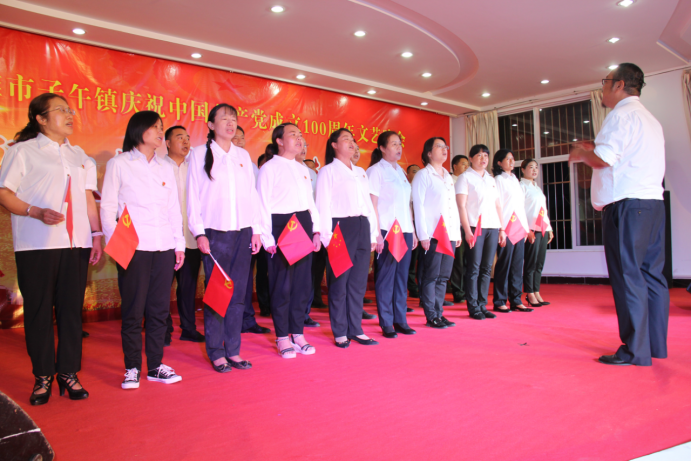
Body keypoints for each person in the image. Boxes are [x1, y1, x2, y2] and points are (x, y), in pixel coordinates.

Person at [0, 93, 101, 405]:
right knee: (40, 311)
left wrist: (96, 234)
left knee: (71, 311)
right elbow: (4, 193)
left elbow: (87, 198)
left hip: (76, 244)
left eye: (70, 110)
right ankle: (43, 376)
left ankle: (68, 373)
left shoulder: (78, 154)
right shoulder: (22, 151)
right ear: (41, 119)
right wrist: (34, 211)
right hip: (37, 244)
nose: (69, 115)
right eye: (60, 110)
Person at [569, 63, 668, 367]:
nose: (602, 88)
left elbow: (604, 159)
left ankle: (634, 350)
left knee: (627, 276)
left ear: (619, 84)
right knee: (652, 276)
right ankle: (653, 345)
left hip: (627, 207)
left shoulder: (620, 115)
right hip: (653, 205)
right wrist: (594, 149)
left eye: (605, 82)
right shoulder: (650, 119)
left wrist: (582, 153)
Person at [101, 111, 185, 389]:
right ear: (139, 130)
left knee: (159, 311)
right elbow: (108, 208)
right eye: (155, 127)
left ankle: (156, 366)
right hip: (133, 248)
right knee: (133, 311)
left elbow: (173, 209)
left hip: (164, 247)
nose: (161, 132)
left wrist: (179, 244)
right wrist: (117, 245)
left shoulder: (165, 167)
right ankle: (132, 367)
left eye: (162, 127)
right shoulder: (119, 163)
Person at [188, 104, 262, 374]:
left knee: (239, 294)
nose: (230, 124)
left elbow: (252, 195)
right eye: (224, 119)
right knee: (218, 293)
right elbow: (192, 195)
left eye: (233, 119)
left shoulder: (243, 155)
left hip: (243, 232)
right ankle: (216, 352)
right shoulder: (199, 154)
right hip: (214, 232)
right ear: (210, 125)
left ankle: (233, 349)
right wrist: (199, 232)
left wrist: (256, 230)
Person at [257, 123, 321, 359]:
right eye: (293, 134)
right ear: (280, 141)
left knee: (302, 285)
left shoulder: (303, 168)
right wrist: (267, 236)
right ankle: (282, 336)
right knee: (282, 285)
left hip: (302, 224)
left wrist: (316, 231)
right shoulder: (269, 168)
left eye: (300, 135)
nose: (299, 138)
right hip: (281, 226)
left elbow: (310, 202)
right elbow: (262, 203)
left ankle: (298, 334)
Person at [316, 129, 379, 348]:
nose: (352, 143)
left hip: (362, 226)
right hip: (340, 228)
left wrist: (373, 233)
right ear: (334, 145)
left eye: (353, 140)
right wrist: (327, 237)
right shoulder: (328, 171)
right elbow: (322, 205)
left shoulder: (360, 171)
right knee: (339, 282)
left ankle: (356, 329)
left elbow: (368, 205)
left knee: (358, 283)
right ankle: (340, 331)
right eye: (346, 140)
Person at [367, 131, 418, 338]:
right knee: (386, 278)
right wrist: (376, 233)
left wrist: (412, 231)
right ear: (382, 148)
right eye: (394, 144)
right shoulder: (375, 171)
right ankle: (387, 322)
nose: (399, 147)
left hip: (404, 230)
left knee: (401, 277)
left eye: (400, 144)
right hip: (387, 231)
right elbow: (372, 205)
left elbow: (406, 206)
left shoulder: (401, 172)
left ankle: (400, 319)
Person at [412, 137, 461, 329]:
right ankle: (431, 315)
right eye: (439, 146)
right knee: (431, 275)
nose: (444, 149)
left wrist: (456, 233)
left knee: (443, 276)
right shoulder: (423, 175)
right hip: (433, 234)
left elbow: (453, 206)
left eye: (445, 146)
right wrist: (423, 235)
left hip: (449, 234)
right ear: (429, 153)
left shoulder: (448, 176)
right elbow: (418, 206)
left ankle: (439, 313)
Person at [163, 125, 205, 344]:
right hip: (165, 238)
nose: (186, 141)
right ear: (167, 143)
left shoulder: (195, 168)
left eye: (188, 138)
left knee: (188, 286)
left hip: (190, 237)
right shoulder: (158, 167)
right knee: (161, 288)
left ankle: (188, 328)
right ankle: (162, 329)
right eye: (179, 137)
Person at [456, 144, 506, 320]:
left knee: (486, 268)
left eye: (486, 155)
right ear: (471, 158)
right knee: (474, 267)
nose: (483, 158)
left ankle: (482, 304)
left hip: (492, 226)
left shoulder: (491, 179)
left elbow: (498, 205)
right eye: (479, 155)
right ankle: (473, 306)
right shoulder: (465, 178)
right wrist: (466, 229)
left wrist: (502, 228)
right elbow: (461, 206)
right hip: (474, 228)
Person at [230, 126, 271, 336]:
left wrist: (258, 229)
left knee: (246, 277)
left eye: (241, 137)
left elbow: (257, 200)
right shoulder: (211, 159)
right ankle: (227, 321)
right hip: (223, 229)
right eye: (234, 137)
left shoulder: (250, 164)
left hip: (248, 229)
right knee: (224, 278)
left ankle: (246, 318)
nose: (238, 140)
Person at [492, 149, 533, 313]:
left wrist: (525, 228)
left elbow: (520, 206)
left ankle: (516, 299)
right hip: (506, 226)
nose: (511, 161)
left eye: (512, 158)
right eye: (507, 159)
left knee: (517, 265)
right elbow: (498, 206)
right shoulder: (498, 180)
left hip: (519, 227)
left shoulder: (515, 180)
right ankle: (499, 300)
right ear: (499, 162)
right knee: (504, 264)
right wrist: (501, 228)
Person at [520, 159, 554, 307]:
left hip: (542, 228)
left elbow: (543, 210)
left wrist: (549, 228)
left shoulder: (537, 188)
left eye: (536, 167)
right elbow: (520, 210)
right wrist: (527, 230)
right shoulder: (522, 187)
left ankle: (536, 290)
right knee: (531, 261)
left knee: (539, 262)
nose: (534, 170)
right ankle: (529, 292)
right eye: (531, 167)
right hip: (531, 229)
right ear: (523, 169)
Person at [295, 141, 320, 328]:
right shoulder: (277, 167)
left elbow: (316, 202)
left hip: (309, 226)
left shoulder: (311, 173)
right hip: (290, 227)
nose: (303, 148)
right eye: (299, 144)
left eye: (305, 145)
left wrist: (317, 230)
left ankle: (304, 312)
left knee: (306, 274)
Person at [449, 155, 470, 303]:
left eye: (467, 164)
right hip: (456, 225)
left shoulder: (469, 180)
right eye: (463, 164)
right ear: (455, 166)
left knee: (470, 260)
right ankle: (458, 292)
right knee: (459, 262)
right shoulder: (450, 181)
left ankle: (469, 291)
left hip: (470, 224)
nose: (466, 167)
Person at [406, 164, 422, 299]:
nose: (417, 174)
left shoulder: (422, 187)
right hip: (411, 224)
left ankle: (423, 288)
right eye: (414, 171)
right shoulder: (407, 187)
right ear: (408, 174)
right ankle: (412, 287)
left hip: (423, 225)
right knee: (411, 259)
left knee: (422, 259)